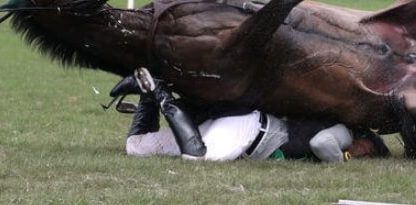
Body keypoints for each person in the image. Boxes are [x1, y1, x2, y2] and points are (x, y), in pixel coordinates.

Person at [120, 68, 389, 162]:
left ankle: (147, 92)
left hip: (233, 125)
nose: (364, 155)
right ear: (367, 140)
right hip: (249, 130)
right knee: (198, 158)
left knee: (135, 148)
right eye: (370, 151)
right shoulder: (345, 132)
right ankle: (161, 94)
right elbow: (322, 145)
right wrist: (341, 165)